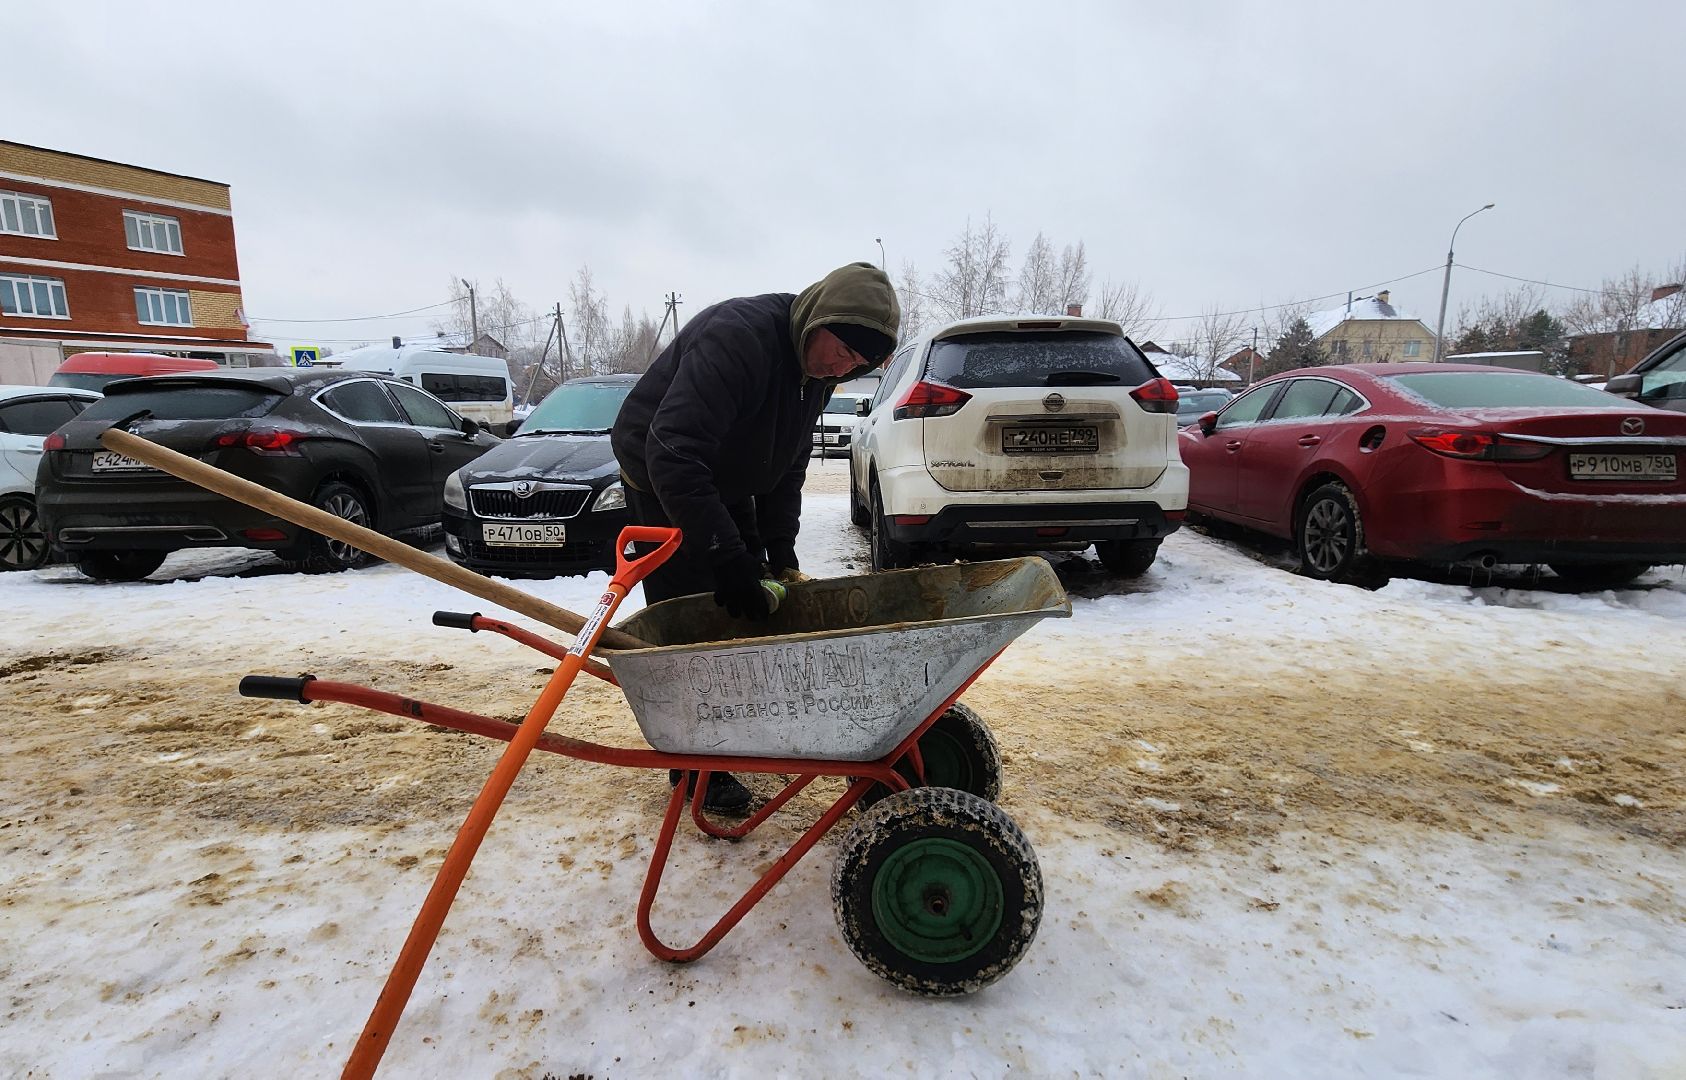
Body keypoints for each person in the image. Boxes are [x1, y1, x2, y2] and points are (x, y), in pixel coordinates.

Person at [611, 261, 900, 814]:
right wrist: (724, 554)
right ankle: (698, 771)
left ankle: (731, 728)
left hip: (724, 476)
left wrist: (780, 551)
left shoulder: (816, 373)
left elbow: (786, 468)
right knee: (692, 617)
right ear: (820, 317)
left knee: (749, 600)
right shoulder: (738, 338)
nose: (843, 367)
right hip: (662, 475)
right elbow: (673, 451)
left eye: (858, 364)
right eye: (842, 351)